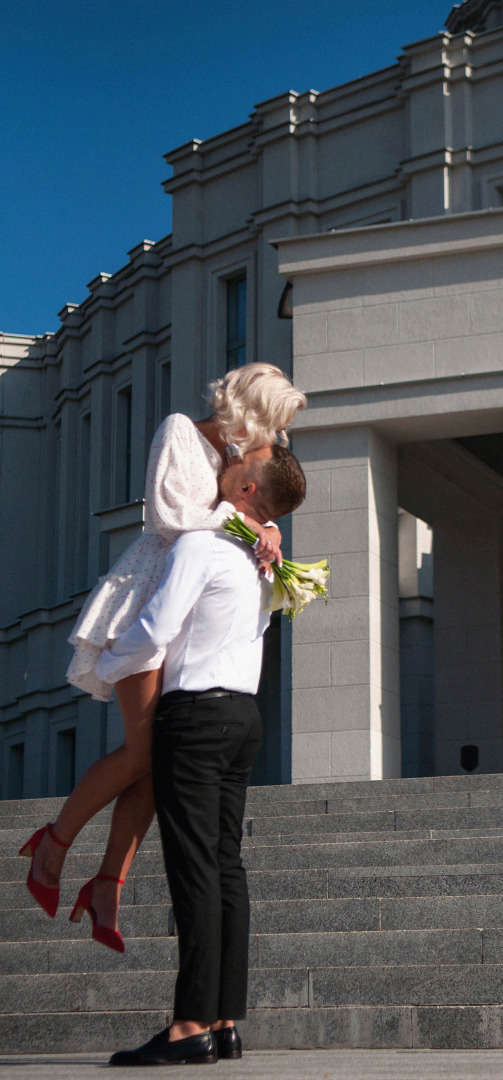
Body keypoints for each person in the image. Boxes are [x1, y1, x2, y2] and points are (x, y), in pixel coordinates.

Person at [19, 362, 306, 952]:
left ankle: (108, 881)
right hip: (149, 598)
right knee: (145, 747)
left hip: (189, 611)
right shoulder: (182, 430)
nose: (276, 440)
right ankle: (55, 843)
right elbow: (170, 517)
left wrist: (265, 529)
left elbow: (239, 515)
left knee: (161, 756)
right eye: (274, 425)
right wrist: (250, 524)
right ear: (251, 411)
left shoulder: (239, 462)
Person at [99, 444, 306, 1066]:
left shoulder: (201, 545)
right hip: (242, 715)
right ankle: (222, 1021)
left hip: (196, 715)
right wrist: (267, 531)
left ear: (245, 490)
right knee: (224, 866)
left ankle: (190, 1025)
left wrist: (104, 665)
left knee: (196, 869)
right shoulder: (257, 558)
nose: (234, 453)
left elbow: (157, 628)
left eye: (246, 458)